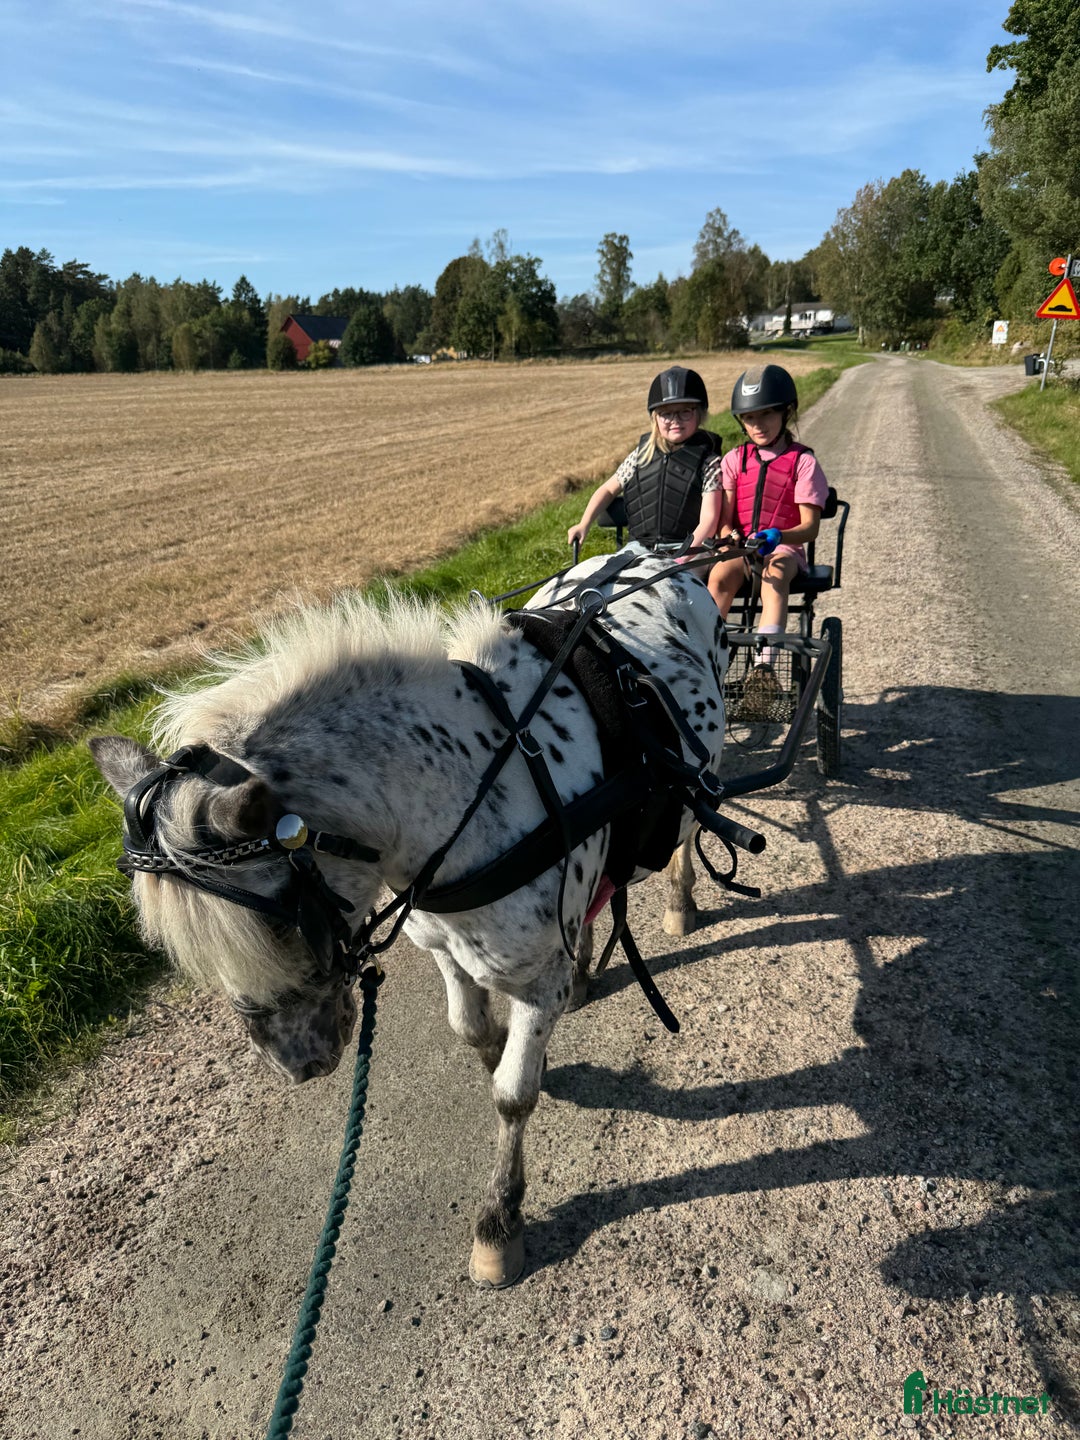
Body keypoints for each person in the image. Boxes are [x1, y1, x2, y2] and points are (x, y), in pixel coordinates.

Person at [688, 363, 829, 718]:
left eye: (766, 415)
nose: (758, 425)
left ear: (786, 412)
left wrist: (779, 535)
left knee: (775, 574)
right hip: (743, 548)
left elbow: (810, 527)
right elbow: (725, 523)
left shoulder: (803, 462)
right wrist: (731, 536)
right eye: (750, 418)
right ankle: (706, 660)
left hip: (782, 547)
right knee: (719, 577)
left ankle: (764, 669)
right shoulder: (735, 460)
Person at [567, 367, 722, 554]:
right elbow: (608, 489)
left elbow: (709, 520)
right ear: (655, 418)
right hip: (638, 548)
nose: (675, 420)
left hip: (688, 549)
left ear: (699, 414)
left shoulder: (710, 463)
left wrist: (681, 558)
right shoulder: (640, 455)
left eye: (685, 412)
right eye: (666, 413)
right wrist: (584, 524)